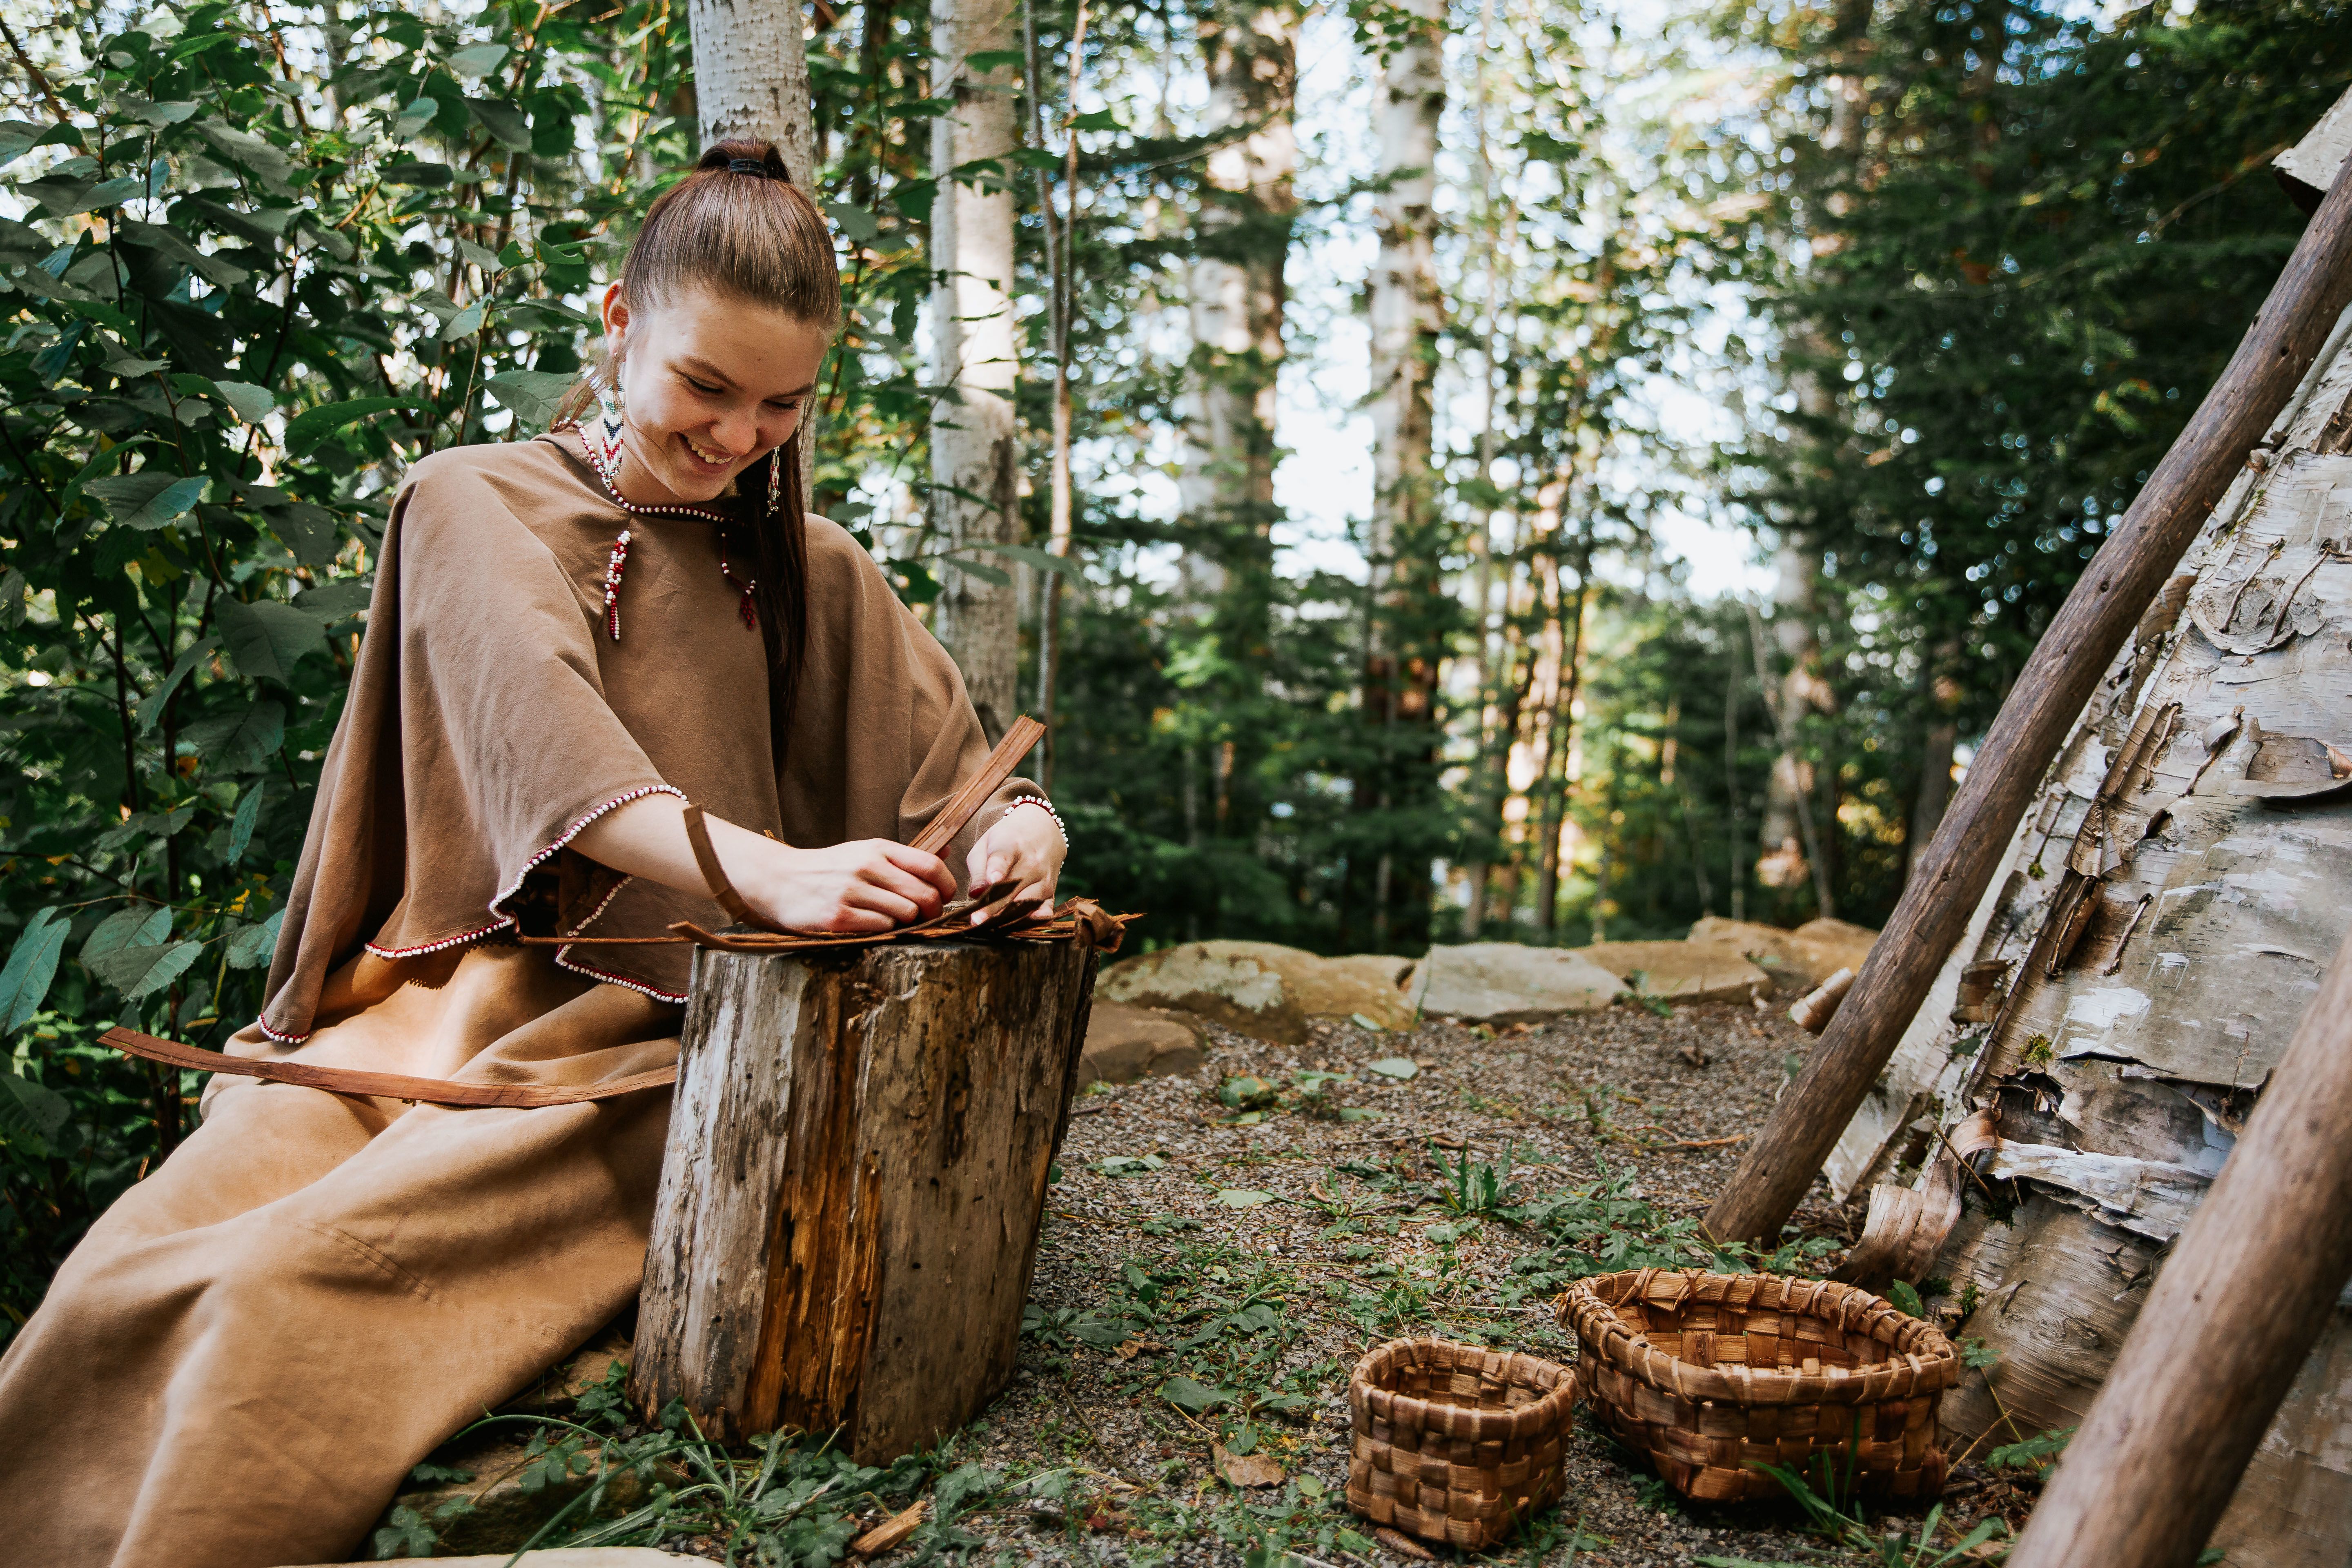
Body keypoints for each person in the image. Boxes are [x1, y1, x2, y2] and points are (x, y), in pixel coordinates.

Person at [0, 140, 1065, 1568]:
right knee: (120, 1277)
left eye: (782, 405)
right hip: (436, 1007)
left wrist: (1020, 834)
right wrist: (772, 869)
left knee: (281, 1292)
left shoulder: (810, 566)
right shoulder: (470, 499)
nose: (742, 433)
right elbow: (541, 748)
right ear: (619, 321)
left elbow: (965, 771)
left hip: (673, 1046)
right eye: (707, 385)